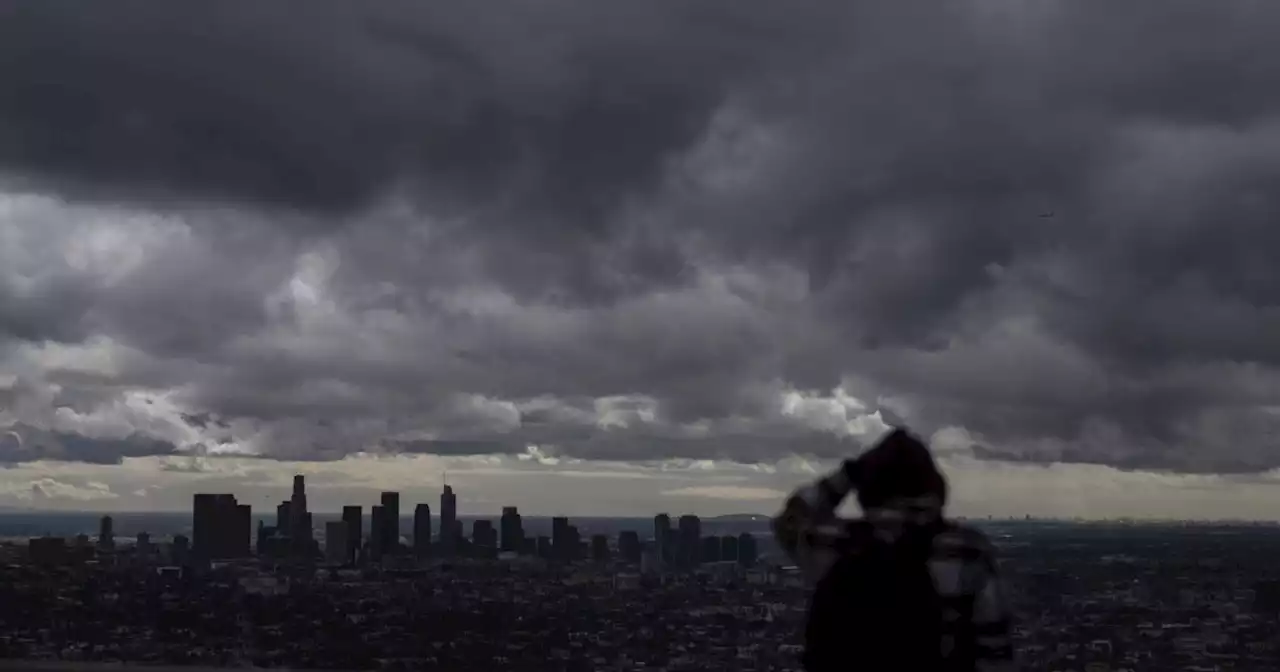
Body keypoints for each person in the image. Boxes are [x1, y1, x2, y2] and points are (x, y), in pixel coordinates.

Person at [773, 427, 1015, 672]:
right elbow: (994, 651)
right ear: (934, 490)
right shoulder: (966, 551)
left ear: (868, 492)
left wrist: (849, 474)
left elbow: (791, 519)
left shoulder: (836, 545)